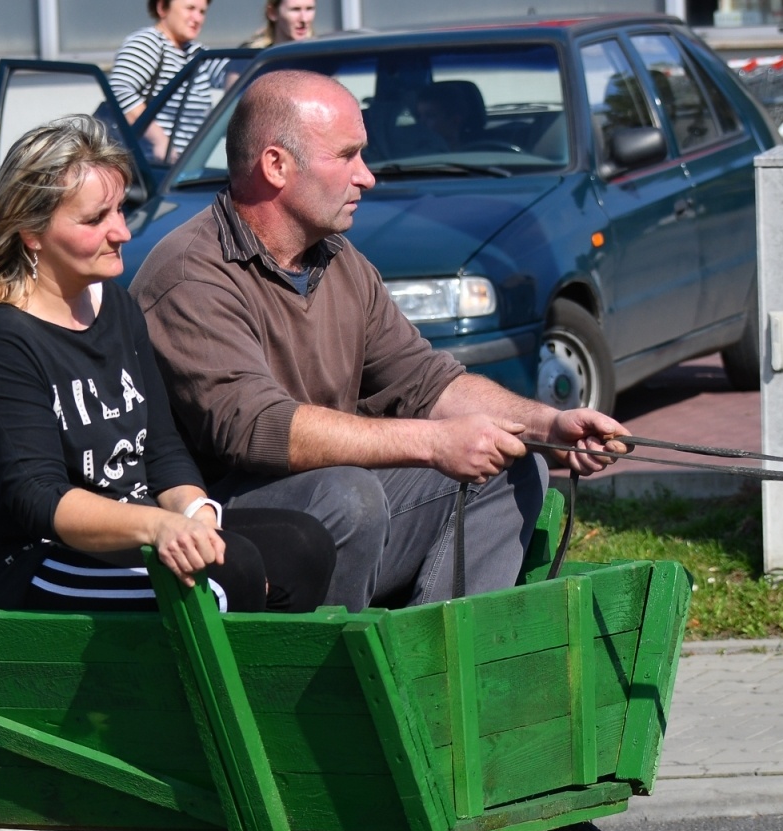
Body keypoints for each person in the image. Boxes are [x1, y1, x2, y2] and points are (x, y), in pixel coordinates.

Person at [131, 70, 625, 611]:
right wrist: (434, 444)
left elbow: (425, 382)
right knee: (349, 494)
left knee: (515, 464)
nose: (366, 177)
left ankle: (437, 669)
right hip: (222, 535)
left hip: (331, 508)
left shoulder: (340, 261)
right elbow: (257, 429)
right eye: (346, 155)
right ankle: (329, 679)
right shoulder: (190, 274)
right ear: (276, 166)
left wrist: (548, 425)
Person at [0, 115, 334, 613]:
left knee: (302, 544)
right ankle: (204, 692)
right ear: (31, 233)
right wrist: (161, 527)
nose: (120, 231)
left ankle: (266, 688)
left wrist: (195, 516)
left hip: (133, 534)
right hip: (34, 565)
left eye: (120, 210)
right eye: (94, 219)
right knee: (232, 573)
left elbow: (162, 449)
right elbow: (39, 499)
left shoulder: (117, 307)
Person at [111, 0, 223, 164]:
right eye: (190, 8)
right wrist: (160, 140)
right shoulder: (148, 42)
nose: (197, 18)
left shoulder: (197, 52)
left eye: (202, 12)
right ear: (162, 7)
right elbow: (119, 90)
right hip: (147, 169)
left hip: (183, 169)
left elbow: (232, 74)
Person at [243, 0, 316, 48]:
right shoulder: (251, 56)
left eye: (309, 9)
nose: (304, 19)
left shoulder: (320, 54)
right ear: (272, 13)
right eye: (295, 9)